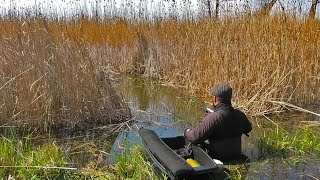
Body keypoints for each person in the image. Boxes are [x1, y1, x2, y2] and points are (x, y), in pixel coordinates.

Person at [184, 83, 252, 161]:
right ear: (229, 98)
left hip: (217, 158)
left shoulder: (213, 117)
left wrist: (186, 131)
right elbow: (248, 129)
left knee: (193, 140)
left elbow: (196, 137)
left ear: (215, 98)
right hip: (236, 155)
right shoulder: (240, 114)